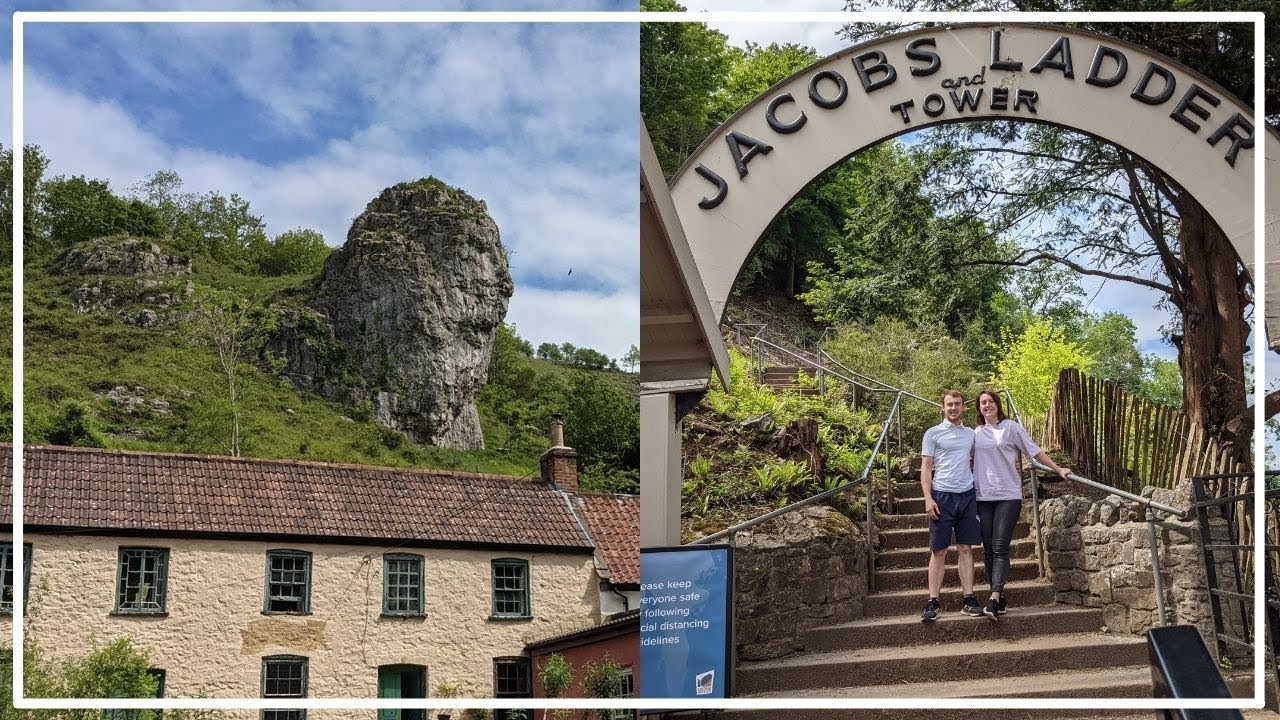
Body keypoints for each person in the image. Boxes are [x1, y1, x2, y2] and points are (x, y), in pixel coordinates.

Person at [973, 389, 1071, 621]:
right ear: (979, 408)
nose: (987, 405)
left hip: (1008, 495)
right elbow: (969, 460)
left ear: (998, 404)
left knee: (1000, 546)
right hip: (982, 496)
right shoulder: (975, 433)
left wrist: (1058, 469)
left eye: (991, 401)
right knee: (988, 549)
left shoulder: (1011, 427)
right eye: (983, 403)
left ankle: (994, 598)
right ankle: (998, 598)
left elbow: (1033, 451)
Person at [920, 389, 981, 623]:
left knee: (966, 548)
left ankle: (968, 599)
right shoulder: (933, 433)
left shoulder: (971, 434)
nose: (953, 408)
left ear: (963, 407)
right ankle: (933, 601)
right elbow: (926, 467)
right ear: (943, 408)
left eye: (957, 404)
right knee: (939, 550)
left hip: (967, 495)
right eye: (949, 404)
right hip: (941, 496)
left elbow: (979, 459)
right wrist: (928, 498)